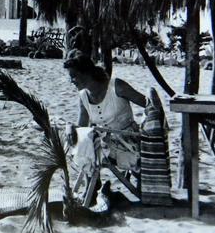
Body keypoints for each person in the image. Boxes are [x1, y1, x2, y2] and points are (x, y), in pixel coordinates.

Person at [63, 51, 157, 198]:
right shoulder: (83, 96)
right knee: (83, 138)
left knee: (88, 141)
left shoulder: (117, 86)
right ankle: (93, 183)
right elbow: (81, 126)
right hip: (104, 144)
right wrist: (70, 127)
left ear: (86, 73)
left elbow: (148, 104)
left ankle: (92, 187)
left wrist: (150, 126)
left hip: (129, 142)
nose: (72, 81)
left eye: (73, 76)